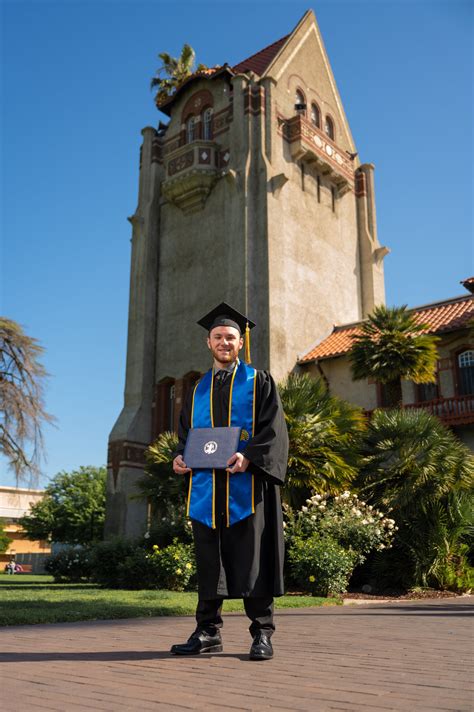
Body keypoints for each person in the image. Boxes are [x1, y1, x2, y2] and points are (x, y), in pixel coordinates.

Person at [171, 302, 289, 660]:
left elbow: (274, 430)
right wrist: (179, 458)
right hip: (207, 491)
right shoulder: (196, 389)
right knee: (209, 561)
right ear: (209, 342)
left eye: (231, 337)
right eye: (218, 337)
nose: (225, 342)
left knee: (253, 559)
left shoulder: (260, 382)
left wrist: (248, 456)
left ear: (241, 343)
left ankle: (261, 634)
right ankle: (207, 632)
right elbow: (186, 435)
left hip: (247, 487)